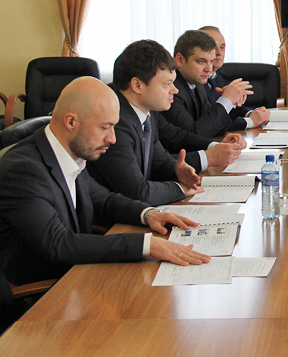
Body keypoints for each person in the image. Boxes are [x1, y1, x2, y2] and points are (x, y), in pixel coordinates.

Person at [0, 77, 211, 287]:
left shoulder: (68, 152)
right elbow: (59, 244)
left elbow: (103, 199)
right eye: (104, 128)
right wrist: (147, 245)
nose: (112, 138)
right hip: (49, 290)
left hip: (80, 271)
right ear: (71, 122)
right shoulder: (23, 171)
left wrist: (149, 214)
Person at [88, 40, 246, 205]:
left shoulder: (146, 111)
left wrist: (178, 171)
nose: (174, 90)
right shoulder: (114, 122)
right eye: (167, 84)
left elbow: (159, 161)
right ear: (137, 85)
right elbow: (138, 193)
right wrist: (181, 189)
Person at [162, 30, 265, 137]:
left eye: (211, 61)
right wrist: (225, 100)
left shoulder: (197, 84)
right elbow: (195, 133)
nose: (209, 69)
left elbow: (212, 126)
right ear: (180, 60)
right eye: (201, 61)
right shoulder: (170, 89)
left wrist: (231, 102)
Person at [199, 25, 269, 131]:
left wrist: (251, 113)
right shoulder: (198, 81)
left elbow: (224, 114)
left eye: (222, 47)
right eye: (212, 47)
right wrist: (250, 121)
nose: (219, 53)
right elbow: (211, 122)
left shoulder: (215, 77)